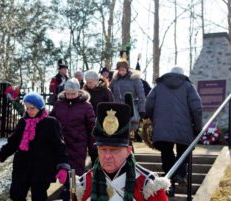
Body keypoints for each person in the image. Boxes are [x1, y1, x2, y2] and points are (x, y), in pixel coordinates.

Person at [75, 101, 170, 201]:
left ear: (128, 150)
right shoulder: (83, 184)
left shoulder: (148, 185)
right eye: (103, 149)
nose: (107, 156)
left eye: (114, 150)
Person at [0, 92, 70, 201]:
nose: (29, 111)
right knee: (16, 195)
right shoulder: (23, 122)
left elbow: (59, 146)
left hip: (42, 168)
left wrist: (63, 167)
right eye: (27, 108)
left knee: (38, 197)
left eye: (32, 108)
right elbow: (13, 143)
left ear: (40, 108)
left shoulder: (51, 123)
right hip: (22, 167)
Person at [145, 67, 203, 196]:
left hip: (162, 128)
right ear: (183, 75)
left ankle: (168, 187)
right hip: (184, 127)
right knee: (184, 152)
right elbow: (197, 108)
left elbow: (148, 104)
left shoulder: (159, 86)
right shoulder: (188, 86)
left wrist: (153, 118)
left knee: (167, 154)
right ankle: (181, 173)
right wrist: (198, 127)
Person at [50, 78, 95, 200]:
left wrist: (93, 149)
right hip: (61, 146)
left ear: (78, 92)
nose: (70, 96)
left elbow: (92, 128)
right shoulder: (59, 104)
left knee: (75, 176)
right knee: (64, 173)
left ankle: (73, 196)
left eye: (73, 94)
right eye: (67, 93)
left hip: (78, 146)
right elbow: (51, 121)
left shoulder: (86, 106)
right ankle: (67, 194)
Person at [83, 70, 114, 165]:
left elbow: (111, 107)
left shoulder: (105, 91)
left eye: (91, 82)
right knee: (92, 149)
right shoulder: (84, 92)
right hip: (87, 124)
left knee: (100, 148)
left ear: (96, 81)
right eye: (87, 82)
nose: (89, 84)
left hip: (102, 124)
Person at [109, 50, 146, 131]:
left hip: (131, 109)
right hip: (117, 110)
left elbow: (141, 96)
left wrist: (142, 109)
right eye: (119, 70)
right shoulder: (115, 80)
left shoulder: (135, 79)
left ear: (127, 69)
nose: (121, 72)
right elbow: (109, 92)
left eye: (123, 70)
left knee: (128, 134)